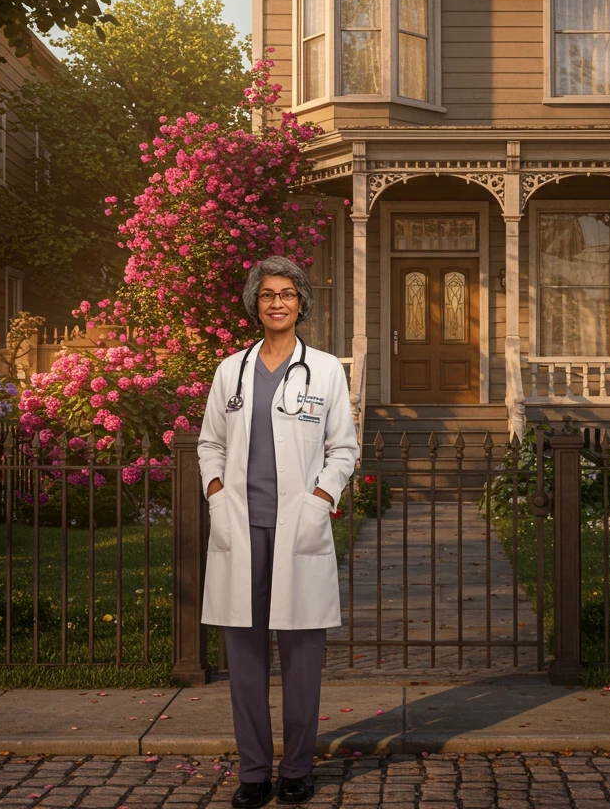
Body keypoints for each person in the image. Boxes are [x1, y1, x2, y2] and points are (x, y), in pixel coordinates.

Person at [198, 255, 359, 807]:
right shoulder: (230, 371)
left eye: (287, 293)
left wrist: (320, 499)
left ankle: (295, 770)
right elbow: (209, 444)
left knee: (301, 658)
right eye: (267, 294)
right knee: (243, 661)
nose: (277, 302)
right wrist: (217, 493)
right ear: (254, 302)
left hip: (298, 530)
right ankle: (252, 773)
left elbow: (344, 448)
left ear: (302, 302)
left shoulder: (327, 370)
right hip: (241, 529)